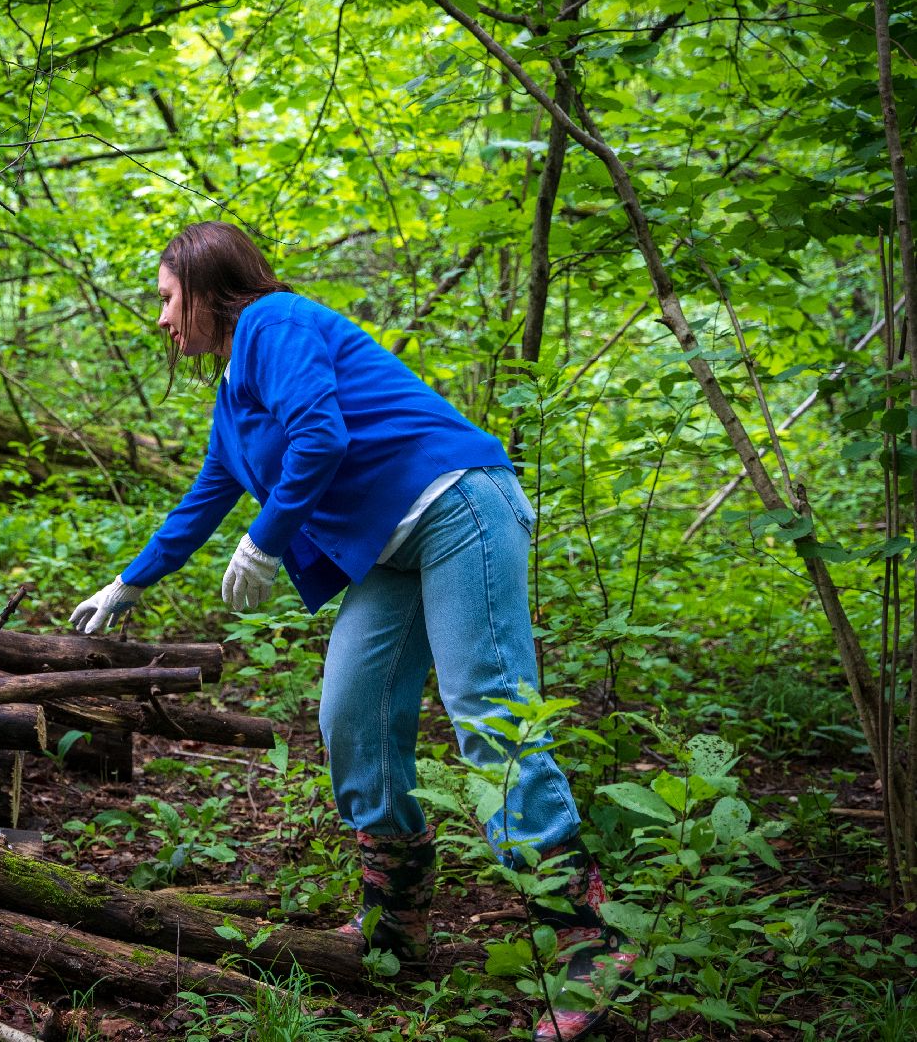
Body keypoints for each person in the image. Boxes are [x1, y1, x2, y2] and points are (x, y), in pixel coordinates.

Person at [69, 221, 634, 1042]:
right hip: (387, 552)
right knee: (350, 717)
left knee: (487, 712)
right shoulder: (232, 398)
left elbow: (321, 434)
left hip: (457, 505)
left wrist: (265, 539)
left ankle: (587, 936)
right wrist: (129, 582)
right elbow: (204, 497)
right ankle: (397, 919)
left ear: (207, 286)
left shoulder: (274, 321)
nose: (159, 318)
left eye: (165, 298)